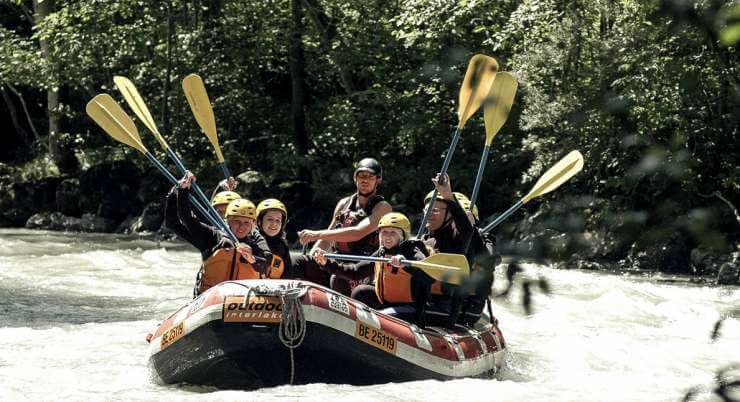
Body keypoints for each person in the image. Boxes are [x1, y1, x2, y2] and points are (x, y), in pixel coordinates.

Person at [313, 212, 433, 324]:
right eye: (384, 232)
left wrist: (406, 265)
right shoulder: (382, 252)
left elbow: (429, 276)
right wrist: (327, 263)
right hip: (386, 303)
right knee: (360, 292)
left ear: (402, 235)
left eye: (393, 232)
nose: (387, 236)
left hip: (410, 309)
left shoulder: (412, 250)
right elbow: (355, 271)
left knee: (375, 319)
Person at [296, 158, 392, 294]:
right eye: (362, 176)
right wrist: (310, 260)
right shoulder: (343, 204)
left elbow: (357, 233)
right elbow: (327, 238)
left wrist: (315, 234)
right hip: (336, 262)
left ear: (378, 180)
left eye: (371, 177)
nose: (365, 180)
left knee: (338, 279)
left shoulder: (383, 207)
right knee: (298, 262)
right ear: (355, 178)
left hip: (361, 268)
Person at [176, 172, 272, 296]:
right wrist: (183, 191)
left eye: (246, 223)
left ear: (253, 224)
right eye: (236, 221)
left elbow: (266, 263)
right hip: (211, 297)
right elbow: (187, 218)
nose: (241, 227)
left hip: (243, 299)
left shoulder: (256, 241)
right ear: (228, 220)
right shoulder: (213, 236)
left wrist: (252, 258)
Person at [420, 173, 476, 327]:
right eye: (427, 209)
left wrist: (447, 195)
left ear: (449, 216)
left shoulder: (455, 239)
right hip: (420, 301)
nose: (429, 213)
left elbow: (466, 229)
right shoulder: (422, 240)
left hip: (443, 308)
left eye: (436, 210)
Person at [255, 198, 297, 279]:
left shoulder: (282, 245)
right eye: (270, 219)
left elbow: (288, 275)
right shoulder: (252, 241)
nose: (274, 224)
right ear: (259, 221)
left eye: (278, 220)